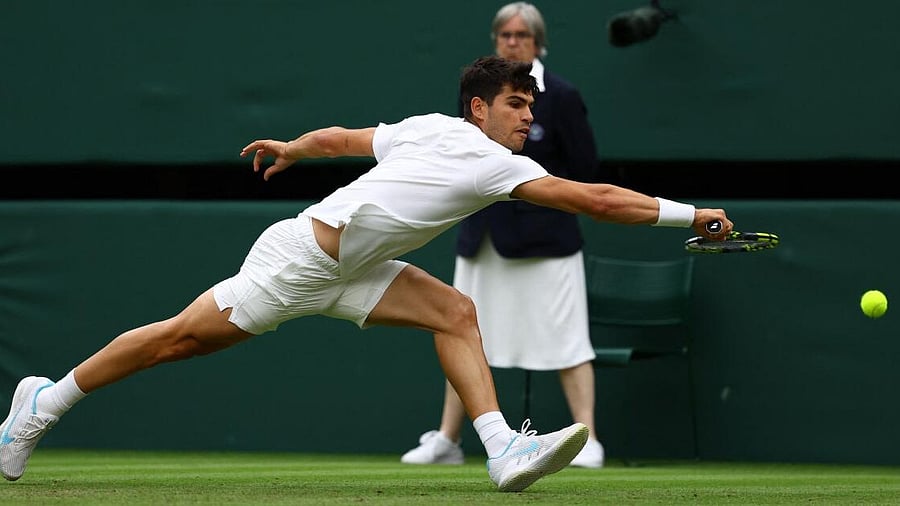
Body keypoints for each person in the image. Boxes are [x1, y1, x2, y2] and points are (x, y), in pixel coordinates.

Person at [0, 56, 732, 492]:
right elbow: (595, 200)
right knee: (178, 341)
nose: (525, 121)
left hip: (359, 265)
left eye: (530, 109)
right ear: (479, 107)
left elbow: (342, 139)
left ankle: (502, 447)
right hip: (298, 262)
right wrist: (687, 211)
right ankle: (43, 400)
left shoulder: (427, 128)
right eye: (515, 106)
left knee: (454, 312)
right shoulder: (488, 156)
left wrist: (294, 145)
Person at [402, 2, 606, 468]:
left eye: (520, 35)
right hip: (483, 240)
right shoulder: (481, 96)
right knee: (461, 333)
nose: (511, 41)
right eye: (504, 35)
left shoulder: (563, 96)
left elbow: (584, 169)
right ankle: (449, 440)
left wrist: (533, 190)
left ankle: (589, 438)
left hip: (547, 242)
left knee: (567, 339)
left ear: (537, 42)